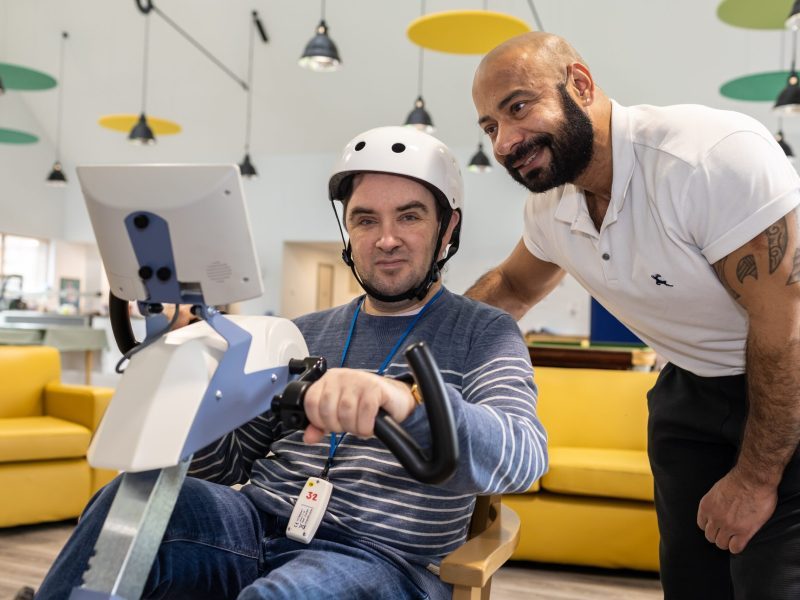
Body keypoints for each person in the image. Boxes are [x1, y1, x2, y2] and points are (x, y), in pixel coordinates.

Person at [36, 126, 547, 600]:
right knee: (126, 504)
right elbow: (225, 466)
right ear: (347, 231)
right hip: (254, 526)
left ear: (447, 226)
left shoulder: (484, 332)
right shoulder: (302, 331)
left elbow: (522, 457)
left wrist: (406, 403)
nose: (386, 239)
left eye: (409, 216)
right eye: (365, 220)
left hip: (381, 558)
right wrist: (196, 374)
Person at [467, 31, 800, 599]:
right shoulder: (551, 208)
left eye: (518, 108)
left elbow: (787, 327)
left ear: (580, 83)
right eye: (491, 127)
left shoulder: (706, 158)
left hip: (783, 386)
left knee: (770, 586)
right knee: (693, 585)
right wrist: (408, 343)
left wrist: (754, 480)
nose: (505, 143)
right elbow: (511, 287)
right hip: (687, 395)